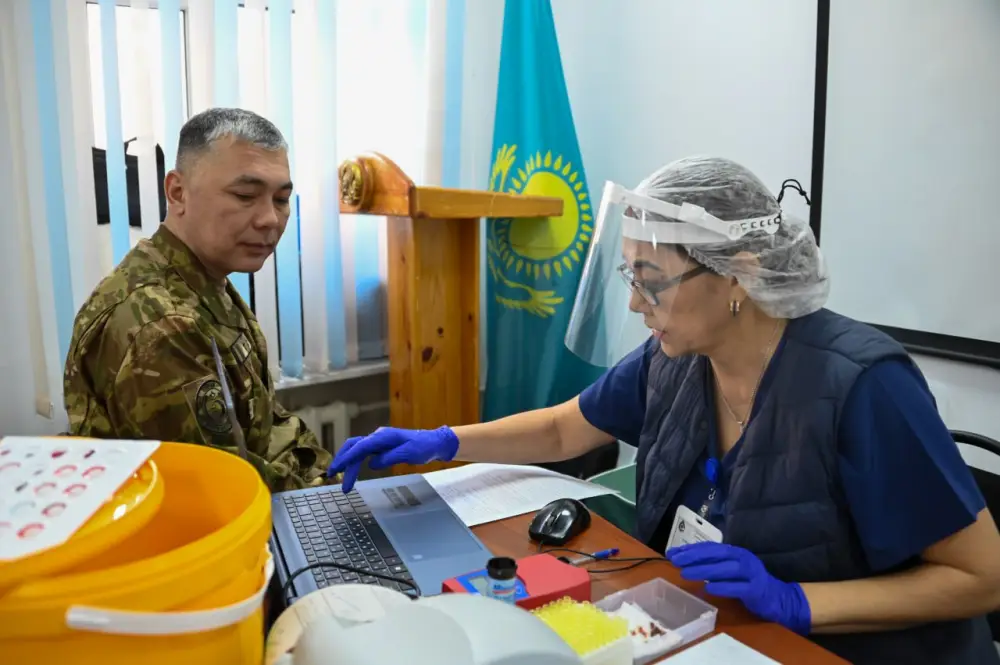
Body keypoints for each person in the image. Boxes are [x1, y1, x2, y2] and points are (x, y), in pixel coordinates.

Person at [327, 156, 1000, 664]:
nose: (633, 305)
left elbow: (982, 577)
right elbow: (568, 425)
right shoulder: (675, 358)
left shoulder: (863, 387)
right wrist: (442, 439)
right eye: (628, 277)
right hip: (722, 634)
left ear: (735, 273)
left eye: (651, 282)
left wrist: (799, 601)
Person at [64, 107, 331, 492]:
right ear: (177, 192)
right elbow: (218, 488)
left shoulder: (206, 279)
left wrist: (325, 474)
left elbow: (267, 424)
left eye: (282, 199)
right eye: (245, 195)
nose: (271, 219)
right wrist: (328, 494)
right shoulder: (159, 324)